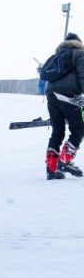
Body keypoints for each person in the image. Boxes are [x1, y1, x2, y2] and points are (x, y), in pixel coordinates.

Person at [44, 32, 84, 180]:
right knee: (79, 128)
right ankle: (65, 160)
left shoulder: (55, 57)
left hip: (51, 96)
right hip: (68, 95)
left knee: (57, 132)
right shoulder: (79, 54)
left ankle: (51, 168)